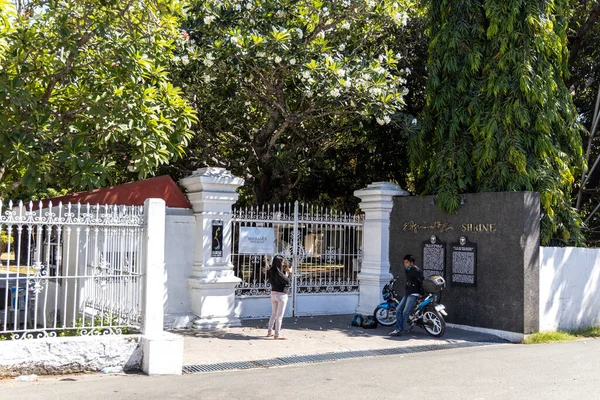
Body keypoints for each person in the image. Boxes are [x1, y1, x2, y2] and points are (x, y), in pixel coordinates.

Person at [390, 254, 424, 336]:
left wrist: (421, 294)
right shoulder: (407, 270)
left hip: (414, 294)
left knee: (405, 312)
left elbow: (422, 281)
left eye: (407, 262)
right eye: (404, 262)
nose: (405, 264)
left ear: (412, 263)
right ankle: (398, 328)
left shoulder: (417, 271)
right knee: (398, 309)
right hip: (408, 293)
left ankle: (400, 329)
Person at [266, 255, 291, 340]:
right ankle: (277, 334)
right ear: (279, 262)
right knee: (279, 316)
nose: (283, 263)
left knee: (273, 314)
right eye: (282, 262)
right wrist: (288, 273)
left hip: (273, 294)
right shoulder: (279, 273)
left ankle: (269, 331)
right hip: (281, 295)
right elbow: (287, 282)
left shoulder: (270, 271)